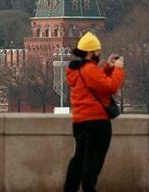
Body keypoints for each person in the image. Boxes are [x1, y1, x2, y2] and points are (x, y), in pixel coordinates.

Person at [63, 32, 125, 192]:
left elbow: (95, 82)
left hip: (80, 122)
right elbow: (110, 87)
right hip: (97, 122)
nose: (99, 54)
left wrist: (108, 67)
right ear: (90, 53)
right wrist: (118, 70)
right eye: (97, 51)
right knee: (93, 161)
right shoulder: (90, 69)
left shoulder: (76, 71)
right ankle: (89, 189)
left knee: (79, 158)